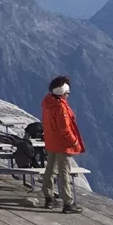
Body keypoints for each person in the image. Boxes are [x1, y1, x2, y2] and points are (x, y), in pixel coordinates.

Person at [41, 75, 86, 214]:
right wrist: (74, 141)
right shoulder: (60, 107)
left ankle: (49, 198)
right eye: (67, 93)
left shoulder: (47, 103)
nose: (68, 95)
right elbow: (64, 128)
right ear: (63, 93)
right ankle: (68, 203)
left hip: (51, 142)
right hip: (62, 145)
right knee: (64, 172)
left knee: (50, 170)